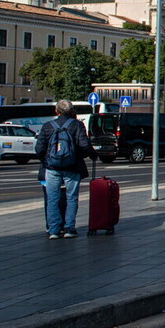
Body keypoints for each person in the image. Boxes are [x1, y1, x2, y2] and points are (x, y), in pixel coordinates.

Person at [35, 100, 94, 239]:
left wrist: (46, 161)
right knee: (72, 197)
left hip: (52, 168)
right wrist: (84, 156)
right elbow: (85, 145)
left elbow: (39, 148)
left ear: (57, 111)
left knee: (52, 199)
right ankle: (69, 228)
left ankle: (54, 230)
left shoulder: (48, 126)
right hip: (72, 167)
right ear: (72, 111)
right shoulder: (77, 125)